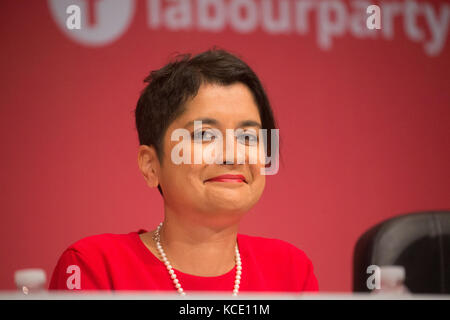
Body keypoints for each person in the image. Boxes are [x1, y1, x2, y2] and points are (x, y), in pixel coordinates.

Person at [48, 48, 319, 295]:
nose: (232, 155)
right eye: (204, 135)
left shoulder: (291, 272)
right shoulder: (93, 266)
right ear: (150, 165)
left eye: (248, 137)